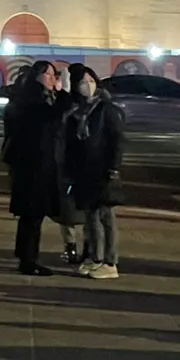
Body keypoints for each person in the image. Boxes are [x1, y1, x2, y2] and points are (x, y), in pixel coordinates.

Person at [2, 61, 72, 276]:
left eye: (54, 74)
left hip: (33, 164)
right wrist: (63, 92)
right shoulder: (32, 102)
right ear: (37, 76)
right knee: (33, 215)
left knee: (31, 215)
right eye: (48, 74)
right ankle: (28, 260)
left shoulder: (30, 98)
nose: (53, 78)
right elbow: (53, 117)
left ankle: (25, 255)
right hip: (33, 165)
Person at [64, 65, 124, 280]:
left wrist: (113, 168)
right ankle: (95, 257)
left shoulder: (106, 109)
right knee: (91, 218)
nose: (87, 85)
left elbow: (116, 140)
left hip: (102, 170)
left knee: (104, 218)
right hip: (85, 171)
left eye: (91, 81)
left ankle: (108, 261)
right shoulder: (79, 111)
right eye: (82, 82)